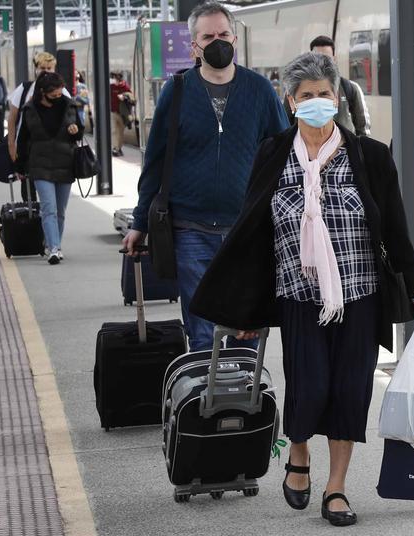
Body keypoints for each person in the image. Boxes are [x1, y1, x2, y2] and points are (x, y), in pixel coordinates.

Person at [189, 51, 414, 527]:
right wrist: (243, 309)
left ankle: (336, 488)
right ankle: (297, 454)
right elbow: (251, 231)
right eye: (307, 96)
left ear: (338, 97)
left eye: (324, 94)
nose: (317, 102)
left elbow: (395, 231)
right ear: (290, 102)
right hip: (297, 296)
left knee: (349, 390)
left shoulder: (370, 156)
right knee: (310, 385)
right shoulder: (273, 154)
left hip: (359, 296)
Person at [123, 2, 290, 352]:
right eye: (208, 36)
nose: (218, 41)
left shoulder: (259, 90)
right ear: (193, 46)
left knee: (247, 332)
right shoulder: (177, 90)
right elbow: (154, 162)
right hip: (190, 232)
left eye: (224, 34)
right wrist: (140, 222)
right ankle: (204, 403)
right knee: (202, 335)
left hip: (247, 233)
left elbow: (284, 158)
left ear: (235, 39)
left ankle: (245, 403)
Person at [16, 72, 83, 265]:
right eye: (54, 95)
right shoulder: (30, 110)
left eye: (60, 94)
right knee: (49, 209)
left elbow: (79, 133)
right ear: (43, 93)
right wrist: (20, 165)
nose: (58, 97)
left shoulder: (69, 105)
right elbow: (23, 139)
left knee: (60, 211)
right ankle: (54, 248)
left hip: (65, 163)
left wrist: (75, 131)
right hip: (40, 165)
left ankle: (55, 245)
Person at [7, 52, 72, 167]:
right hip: (28, 149)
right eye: (42, 68)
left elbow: (71, 117)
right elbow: (12, 118)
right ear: (36, 69)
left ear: (54, 69)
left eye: (49, 68)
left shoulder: (63, 92)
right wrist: (11, 145)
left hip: (57, 150)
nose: (46, 71)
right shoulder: (24, 89)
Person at [309, 36, 370, 137]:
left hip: (345, 151)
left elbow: (363, 128)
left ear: (334, 59)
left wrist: (360, 151)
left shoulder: (351, 88)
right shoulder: (296, 91)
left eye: (327, 58)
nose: (322, 62)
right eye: (317, 57)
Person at [110, 72, 132, 156]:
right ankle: (115, 148)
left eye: (117, 78)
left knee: (120, 132)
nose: (116, 80)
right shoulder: (111, 87)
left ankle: (119, 148)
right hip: (113, 112)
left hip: (123, 114)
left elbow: (132, 97)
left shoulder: (125, 87)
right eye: (115, 78)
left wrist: (125, 97)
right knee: (114, 130)